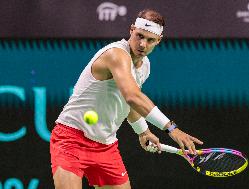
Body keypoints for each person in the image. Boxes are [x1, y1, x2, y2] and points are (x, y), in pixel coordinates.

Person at [50, 9, 203, 189]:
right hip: (72, 139)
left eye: (150, 40)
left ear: (158, 41)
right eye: (139, 36)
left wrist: (143, 131)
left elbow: (127, 102)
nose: (142, 44)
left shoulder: (144, 65)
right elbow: (132, 96)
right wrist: (171, 128)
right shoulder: (116, 54)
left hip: (106, 145)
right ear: (131, 30)